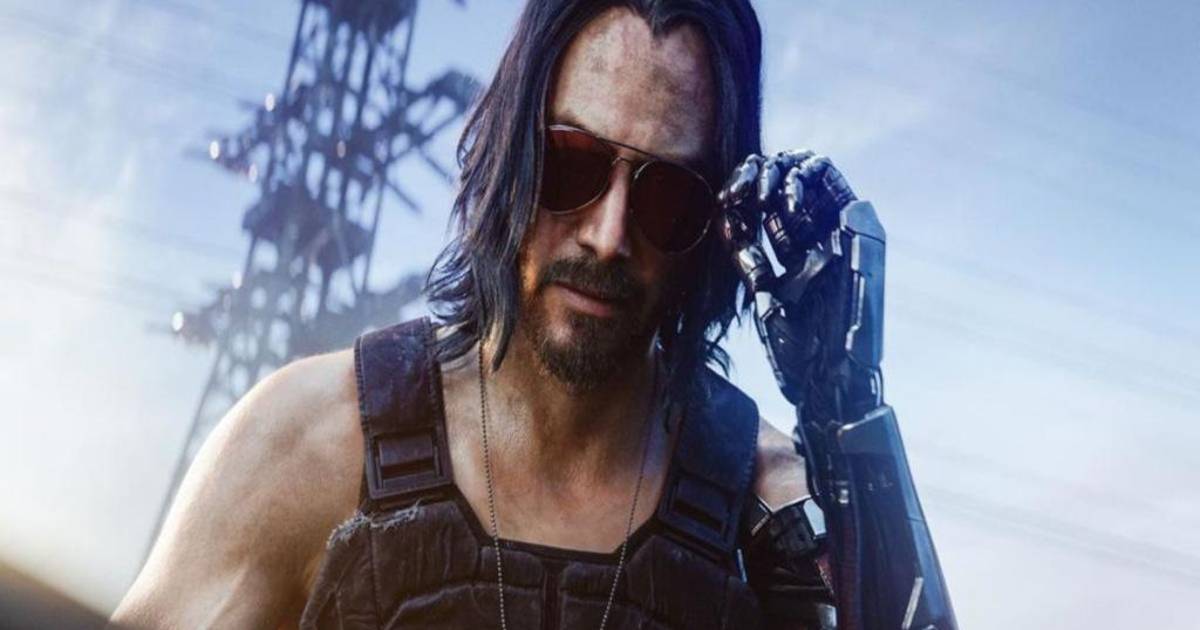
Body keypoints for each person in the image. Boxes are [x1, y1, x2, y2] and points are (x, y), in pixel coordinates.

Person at [114, 1, 949, 628]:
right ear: (509, 151)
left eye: (666, 196)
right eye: (570, 163)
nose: (608, 235)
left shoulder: (766, 507)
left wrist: (846, 415)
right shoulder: (310, 444)